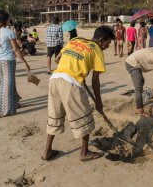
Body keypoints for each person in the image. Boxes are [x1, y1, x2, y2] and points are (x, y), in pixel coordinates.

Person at [42, 25, 114, 162]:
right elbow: (95, 81)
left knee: (54, 117)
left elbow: (57, 59)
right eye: (108, 43)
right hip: (71, 84)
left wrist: (72, 67)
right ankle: (84, 153)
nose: (107, 46)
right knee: (84, 119)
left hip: (54, 80)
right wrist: (99, 103)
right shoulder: (97, 49)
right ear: (102, 40)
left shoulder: (75, 40)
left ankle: (47, 151)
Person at [0, 10, 31, 117]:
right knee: (7, 85)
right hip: (8, 61)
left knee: (6, 83)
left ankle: (14, 103)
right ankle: (1, 110)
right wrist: (25, 63)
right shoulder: (9, 32)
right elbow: (16, 50)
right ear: (5, 20)